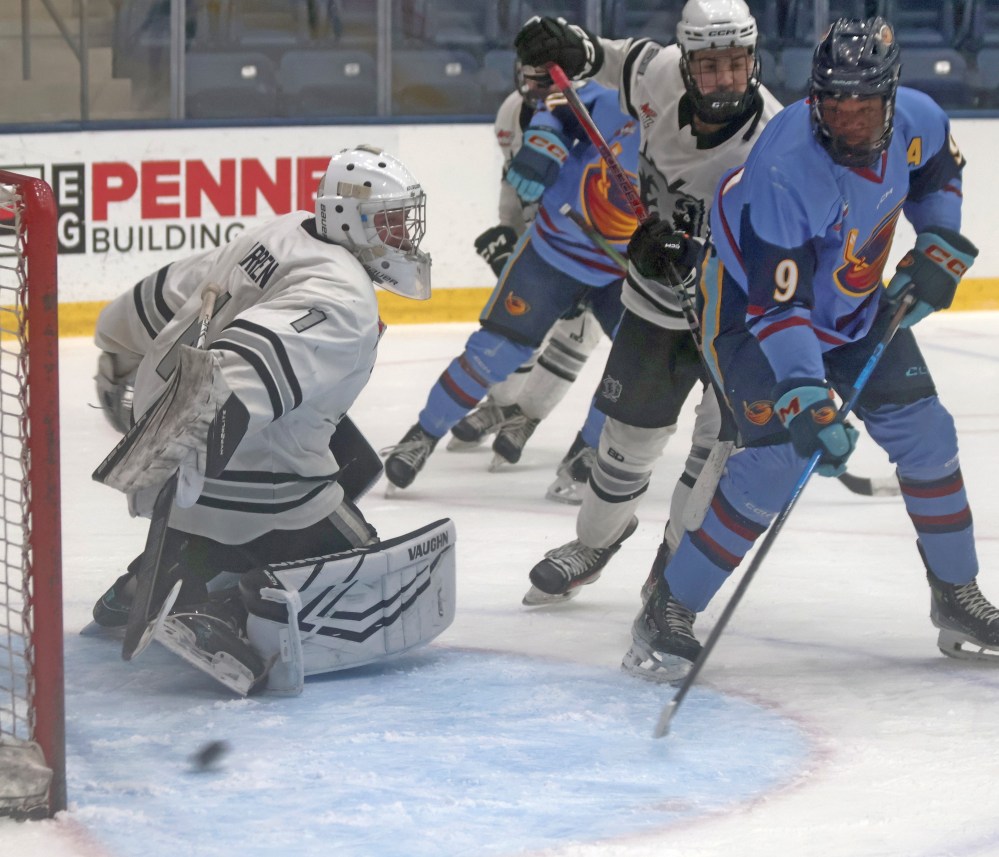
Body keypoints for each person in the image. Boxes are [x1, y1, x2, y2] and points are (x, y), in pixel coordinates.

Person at [626, 16, 998, 683]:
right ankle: (668, 607)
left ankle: (956, 595)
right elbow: (779, 306)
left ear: (888, 97)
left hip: (852, 307)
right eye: (833, 105)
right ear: (814, 98)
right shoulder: (784, 168)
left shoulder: (917, 119)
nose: (848, 120)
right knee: (774, 461)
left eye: (863, 106)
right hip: (748, 311)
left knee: (926, 433)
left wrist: (937, 243)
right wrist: (805, 395)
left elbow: (938, 169)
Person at [89, 145, 456, 695]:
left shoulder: (284, 232)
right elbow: (243, 367)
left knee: (352, 460)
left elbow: (174, 287)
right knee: (362, 579)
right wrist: (185, 445)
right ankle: (224, 617)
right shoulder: (343, 297)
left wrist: (117, 346)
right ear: (350, 220)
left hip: (181, 450)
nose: (403, 236)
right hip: (218, 456)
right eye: (390, 223)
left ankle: (163, 569)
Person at [513, 0, 782, 605]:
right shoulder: (657, 72)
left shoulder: (774, 139)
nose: (723, 79)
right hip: (655, 305)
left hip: (737, 324)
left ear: (753, 58)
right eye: (708, 66)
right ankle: (595, 543)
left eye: (736, 63)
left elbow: (788, 246)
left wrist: (704, 251)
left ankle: (675, 559)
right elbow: (600, 59)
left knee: (716, 452)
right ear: (686, 63)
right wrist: (562, 41)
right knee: (624, 444)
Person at [382, 69, 640, 490]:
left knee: (636, 367)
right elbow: (542, 134)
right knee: (496, 349)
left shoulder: (680, 126)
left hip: (625, 268)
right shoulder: (588, 97)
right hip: (555, 248)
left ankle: (583, 444)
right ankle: (422, 435)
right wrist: (544, 135)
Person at [450, 62, 606, 483]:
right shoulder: (510, 112)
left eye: (547, 78)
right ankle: (502, 405)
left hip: (597, 241)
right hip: (545, 235)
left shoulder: (603, 111)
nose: (538, 86)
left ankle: (527, 416)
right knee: (513, 318)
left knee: (579, 331)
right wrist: (510, 244)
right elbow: (513, 183)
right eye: (532, 77)